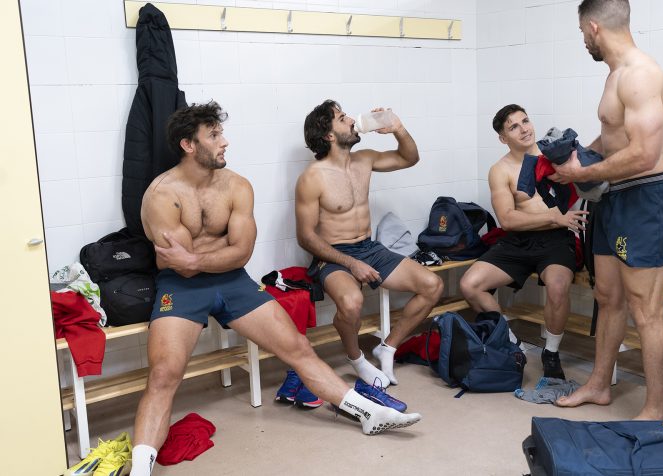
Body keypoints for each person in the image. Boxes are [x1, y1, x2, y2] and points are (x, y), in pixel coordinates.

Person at [129, 101, 421, 476]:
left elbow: (240, 253)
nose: (224, 142)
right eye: (214, 135)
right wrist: (205, 258)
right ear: (189, 145)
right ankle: (140, 470)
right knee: (164, 375)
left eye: (221, 133)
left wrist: (199, 259)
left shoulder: (237, 186)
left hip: (232, 281)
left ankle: (368, 414)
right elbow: (181, 266)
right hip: (181, 287)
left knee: (298, 347)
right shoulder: (161, 195)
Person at [549, 0, 663, 420]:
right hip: (612, 198)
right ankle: (599, 385)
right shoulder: (615, 75)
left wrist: (580, 175)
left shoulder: (641, 75)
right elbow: (613, 138)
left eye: (581, 33)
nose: (583, 41)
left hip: (643, 198)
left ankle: (655, 410)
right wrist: (576, 158)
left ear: (593, 27)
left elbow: (644, 154)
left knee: (646, 308)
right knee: (607, 297)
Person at [295, 100, 444, 389]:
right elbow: (306, 237)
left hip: (369, 247)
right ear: (328, 135)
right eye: (342, 118)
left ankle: (387, 347)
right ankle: (357, 359)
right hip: (335, 255)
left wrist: (397, 128)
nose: (352, 120)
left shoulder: (364, 160)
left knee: (432, 285)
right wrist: (351, 263)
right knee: (352, 303)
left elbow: (409, 158)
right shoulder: (312, 178)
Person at [459, 105, 588, 380]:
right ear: (503, 138)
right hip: (518, 240)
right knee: (469, 284)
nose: (524, 129)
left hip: (556, 239)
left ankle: (550, 353)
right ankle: (509, 338)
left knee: (557, 286)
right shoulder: (500, 170)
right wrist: (553, 216)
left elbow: (588, 180)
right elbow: (507, 219)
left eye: (525, 121)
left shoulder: (555, 156)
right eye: (513, 126)